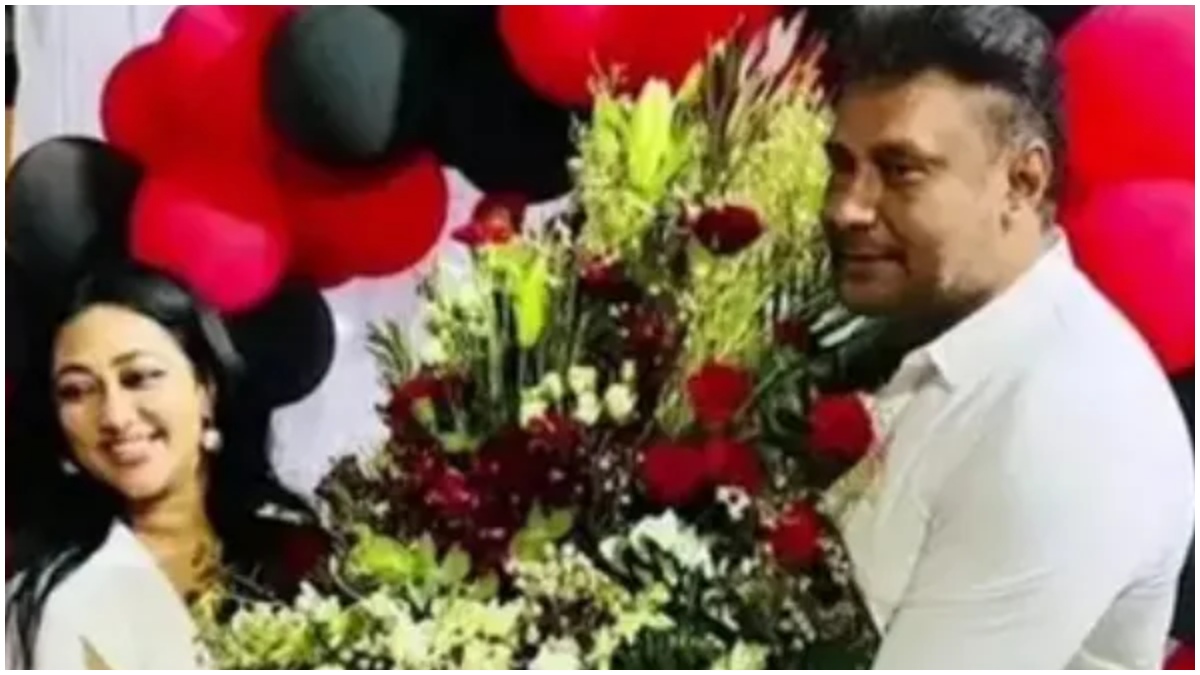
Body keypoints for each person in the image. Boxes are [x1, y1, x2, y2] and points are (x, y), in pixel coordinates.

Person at [820, 6, 1194, 669]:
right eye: (842, 165)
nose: (846, 207)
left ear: (1023, 182)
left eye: (901, 169)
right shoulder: (945, 330)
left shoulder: (1072, 421)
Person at [5, 263, 326, 669]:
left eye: (139, 377)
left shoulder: (301, 553)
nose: (115, 416)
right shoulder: (49, 598)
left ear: (205, 389)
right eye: (77, 390)